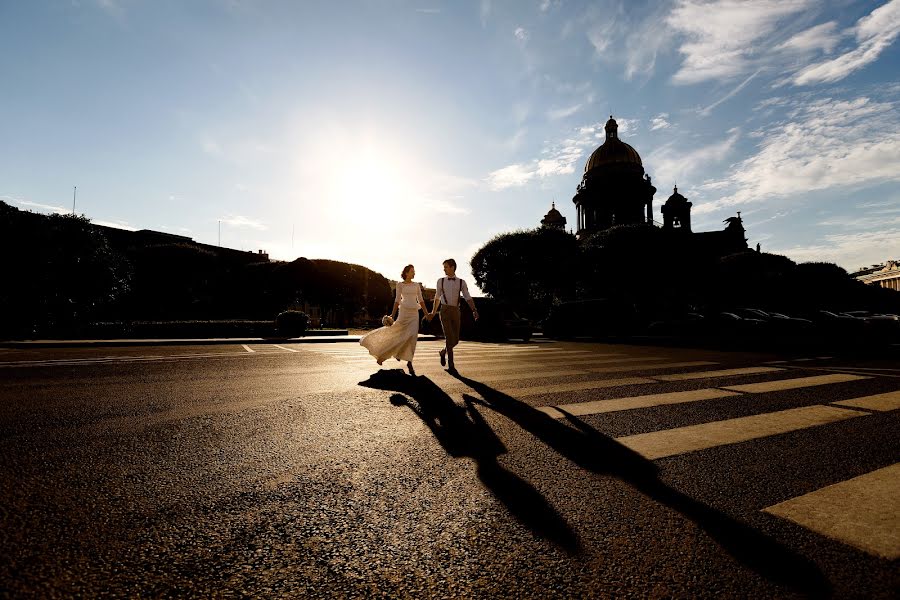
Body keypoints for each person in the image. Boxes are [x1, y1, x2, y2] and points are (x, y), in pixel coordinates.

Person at [360, 264, 429, 376]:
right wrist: (392, 315)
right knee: (397, 334)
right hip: (403, 313)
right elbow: (397, 300)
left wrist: (426, 314)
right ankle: (382, 356)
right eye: (412, 271)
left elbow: (421, 300)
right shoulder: (400, 285)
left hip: (414, 314)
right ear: (406, 273)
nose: (414, 273)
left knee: (412, 337)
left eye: (414, 271)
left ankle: (409, 362)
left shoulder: (416, 285)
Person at [429, 258, 478, 373]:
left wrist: (474, 310)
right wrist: (433, 311)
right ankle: (451, 366)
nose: (444, 269)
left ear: (452, 267)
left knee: (455, 340)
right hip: (444, 310)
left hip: (456, 311)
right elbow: (437, 297)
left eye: (446, 267)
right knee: (448, 337)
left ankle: (443, 352)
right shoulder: (440, 281)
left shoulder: (462, 282)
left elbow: (467, 297)